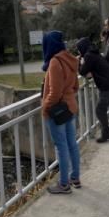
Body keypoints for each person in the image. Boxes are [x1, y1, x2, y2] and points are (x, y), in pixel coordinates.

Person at [41, 31, 81, 194]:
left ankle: (64, 184)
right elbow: (76, 86)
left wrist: (45, 108)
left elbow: (55, 92)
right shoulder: (70, 59)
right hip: (70, 107)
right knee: (71, 144)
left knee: (61, 146)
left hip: (57, 110)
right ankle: (75, 177)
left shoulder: (55, 62)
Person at [76, 37, 109, 143]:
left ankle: (106, 132)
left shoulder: (88, 56)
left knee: (100, 110)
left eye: (78, 49)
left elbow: (83, 72)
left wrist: (78, 62)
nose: (78, 52)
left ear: (82, 48)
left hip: (107, 85)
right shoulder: (94, 53)